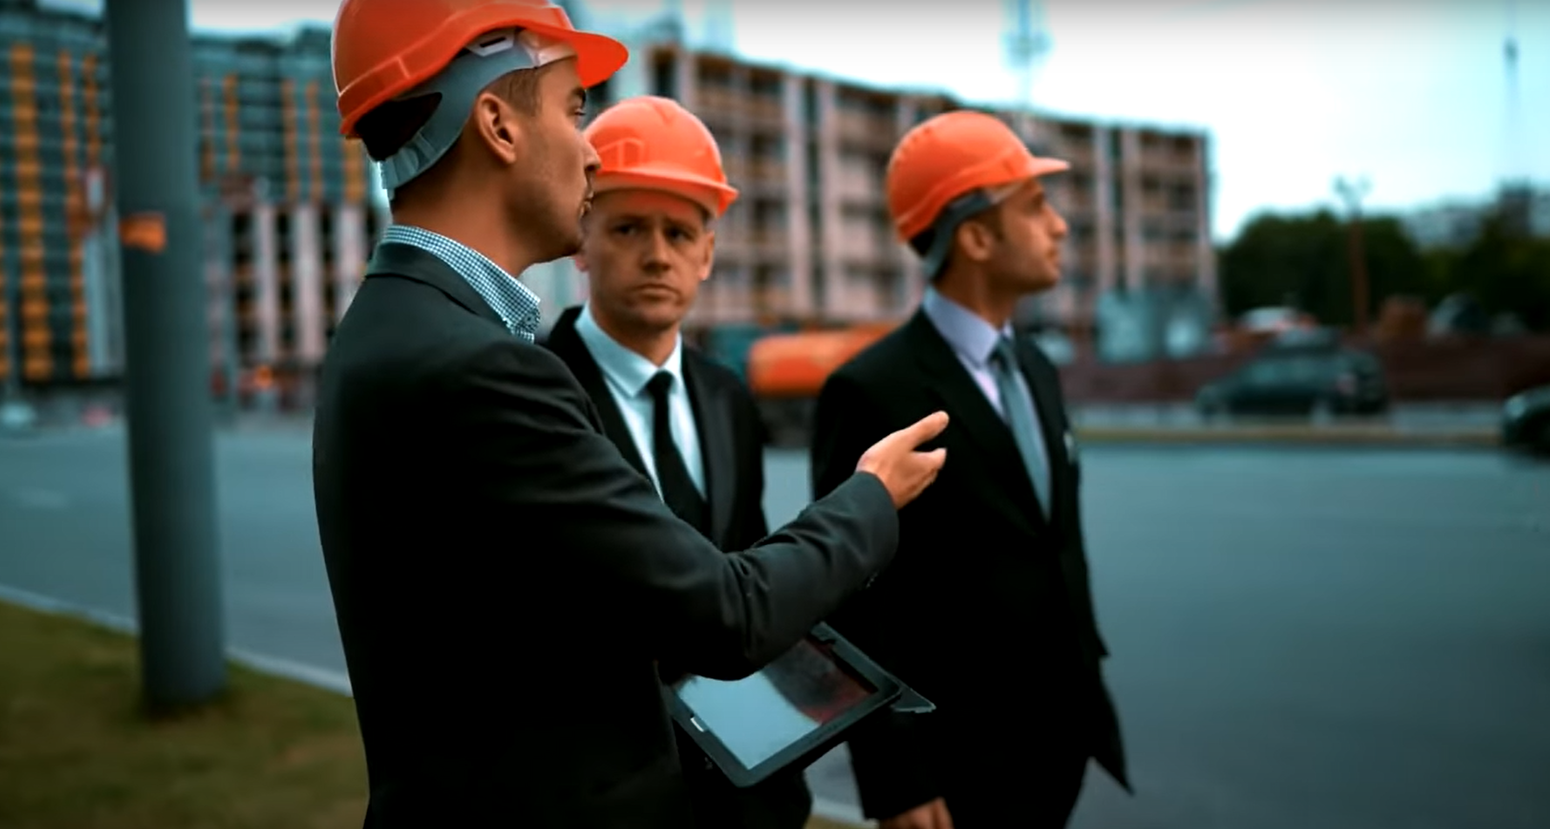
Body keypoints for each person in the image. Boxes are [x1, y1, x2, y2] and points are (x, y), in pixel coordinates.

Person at [312, 1, 951, 827]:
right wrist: (871, 494)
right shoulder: (482, 366)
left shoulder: (395, 325)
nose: (589, 150)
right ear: (499, 125)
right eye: (575, 109)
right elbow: (731, 612)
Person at [810, 110, 1131, 829]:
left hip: (1059, 739)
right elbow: (854, 599)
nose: (1059, 227)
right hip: (955, 769)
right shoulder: (872, 389)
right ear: (978, 236)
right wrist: (898, 774)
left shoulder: (1039, 370)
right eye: (1036, 206)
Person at [538, 95, 815, 829]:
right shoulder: (533, 390)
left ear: (708, 252)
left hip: (741, 786)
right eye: (628, 227)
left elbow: (751, 574)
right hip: (598, 794)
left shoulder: (728, 397)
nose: (658, 253)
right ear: (580, 238)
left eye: (679, 231)